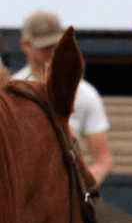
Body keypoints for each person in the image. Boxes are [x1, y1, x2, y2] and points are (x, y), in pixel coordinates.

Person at [11, 10, 113, 186]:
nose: (52, 52)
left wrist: (81, 188)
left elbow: (103, 160)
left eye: (55, 45)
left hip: (65, 199)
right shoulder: (10, 93)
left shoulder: (85, 94)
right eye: (44, 47)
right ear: (26, 46)